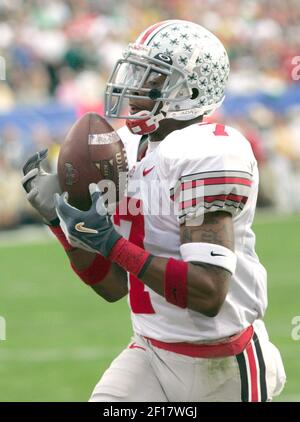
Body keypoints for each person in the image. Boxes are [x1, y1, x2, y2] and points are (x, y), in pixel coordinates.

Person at [22, 19, 286, 402]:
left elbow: (209, 293)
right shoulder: (127, 149)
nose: (135, 87)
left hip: (222, 362)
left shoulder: (205, 152)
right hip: (150, 349)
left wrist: (111, 242)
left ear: (190, 90)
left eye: (152, 78)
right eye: (137, 71)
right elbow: (112, 286)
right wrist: (60, 223)